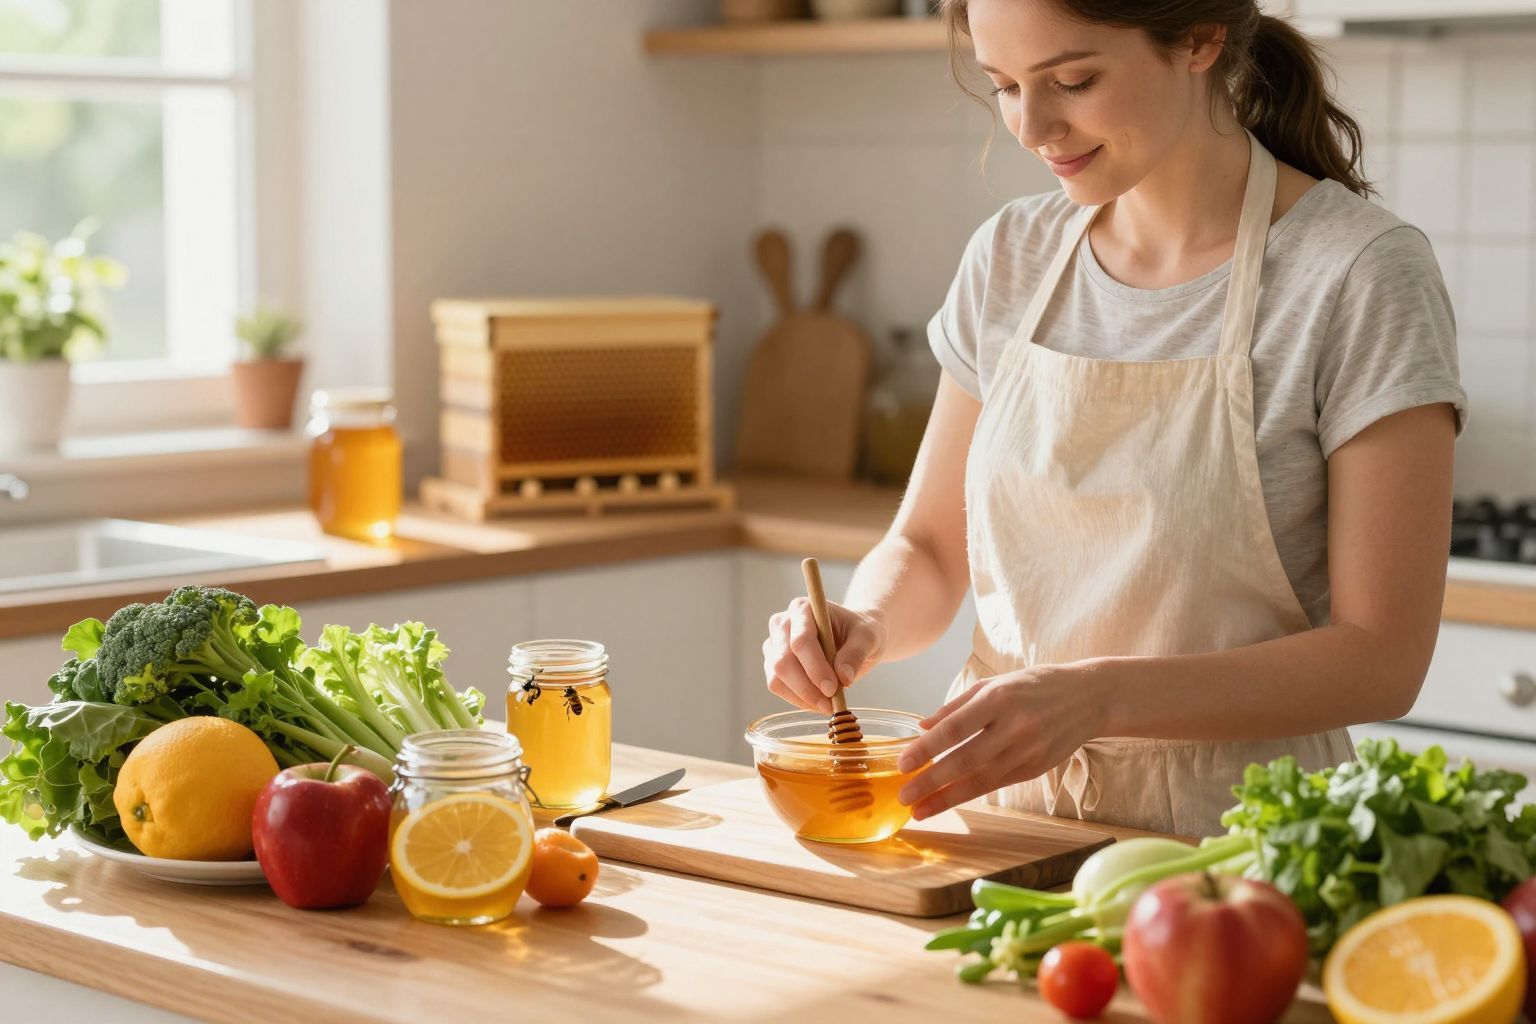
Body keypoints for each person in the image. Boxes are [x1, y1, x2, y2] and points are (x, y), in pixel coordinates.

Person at [760, 0, 1465, 837]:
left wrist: (1098, 698)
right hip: (1001, 825)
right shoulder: (1010, 255)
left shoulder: (1358, 274)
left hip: (1237, 845)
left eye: (1073, 80)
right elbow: (932, 548)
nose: (1031, 127)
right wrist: (865, 622)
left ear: (1199, 38)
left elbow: (1381, 659)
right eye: (1005, 86)